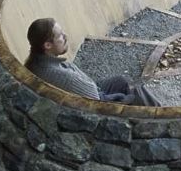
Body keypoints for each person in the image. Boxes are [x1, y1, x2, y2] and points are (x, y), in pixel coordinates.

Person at [24, 18, 160, 106]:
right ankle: (160, 116)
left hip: (88, 95)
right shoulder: (64, 77)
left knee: (122, 81)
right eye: (59, 35)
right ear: (47, 45)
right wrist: (123, 97)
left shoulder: (35, 62)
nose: (65, 36)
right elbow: (95, 99)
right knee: (135, 93)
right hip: (94, 104)